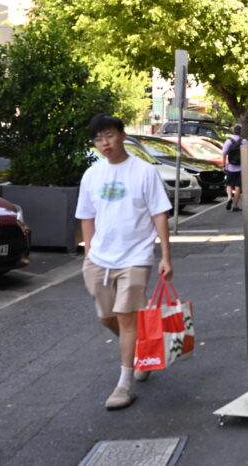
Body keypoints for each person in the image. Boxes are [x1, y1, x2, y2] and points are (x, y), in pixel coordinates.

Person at [75, 113, 173, 410]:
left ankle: (124, 385)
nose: (104, 143)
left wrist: (165, 255)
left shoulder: (144, 172)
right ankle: (141, 346)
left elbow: (159, 214)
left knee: (126, 317)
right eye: (98, 138)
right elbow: (86, 216)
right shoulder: (92, 175)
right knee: (107, 318)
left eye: (109, 135)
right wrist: (89, 252)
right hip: (100, 259)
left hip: (136, 257)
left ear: (123, 136)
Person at [221, 124, 248, 212]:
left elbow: (224, 153)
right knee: (238, 187)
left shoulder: (228, 141)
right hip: (241, 168)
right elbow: (247, 154)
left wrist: (224, 165)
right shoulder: (244, 141)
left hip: (230, 167)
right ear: (241, 132)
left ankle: (229, 197)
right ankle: (235, 206)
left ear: (233, 131)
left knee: (229, 185)